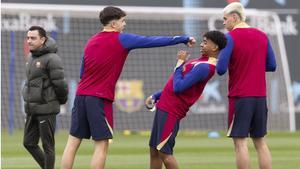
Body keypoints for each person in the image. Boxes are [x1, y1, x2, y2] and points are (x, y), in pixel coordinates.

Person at [60, 6, 196, 169]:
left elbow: (83, 73)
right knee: (101, 145)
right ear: (113, 24)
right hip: (99, 99)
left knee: (72, 142)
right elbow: (152, 41)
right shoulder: (122, 39)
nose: (124, 24)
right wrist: (182, 38)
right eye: (123, 21)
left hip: (81, 96)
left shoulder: (91, 41)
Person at [145, 30, 227, 169]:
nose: (201, 45)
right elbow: (173, 85)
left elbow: (178, 87)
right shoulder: (200, 61)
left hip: (172, 110)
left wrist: (179, 63)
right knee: (154, 150)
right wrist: (156, 96)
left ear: (215, 47)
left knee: (165, 153)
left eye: (205, 42)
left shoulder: (206, 67)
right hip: (164, 106)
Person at [216, 2, 277, 169]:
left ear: (235, 18)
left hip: (240, 97)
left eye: (225, 19)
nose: (223, 22)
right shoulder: (262, 35)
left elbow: (220, 69)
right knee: (261, 143)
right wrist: (252, 65)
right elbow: (272, 65)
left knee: (240, 144)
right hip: (260, 97)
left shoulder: (230, 38)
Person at [22, 25, 68, 169]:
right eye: (28, 37)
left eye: (33, 38)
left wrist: (58, 101)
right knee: (28, 143)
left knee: (48, 146)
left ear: (42, 39)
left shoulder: (52, 58)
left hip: (46, 109)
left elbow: (60, 84)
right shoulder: (30, 57)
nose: (29, 41)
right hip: (32, 109)